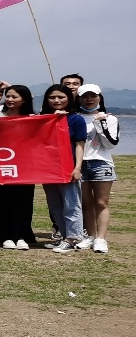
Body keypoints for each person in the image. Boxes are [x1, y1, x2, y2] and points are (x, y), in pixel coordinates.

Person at [39, 84, 87, 254]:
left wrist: (77, 167)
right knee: (55, 205)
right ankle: (64, 236)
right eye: (52, 97)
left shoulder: (76, 119)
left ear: (69, 98)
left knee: (71, 204)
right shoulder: (43, 118)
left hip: (68, 167)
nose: (57, 100)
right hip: (48, 169)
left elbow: (80, 145)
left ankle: (74, 237)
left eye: (61, 97)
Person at [0, 84, 37, 250]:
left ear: (24, 99)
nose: (9, 99)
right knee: (1, 200)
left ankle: (21, 235)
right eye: (7, 96)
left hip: (24, 166)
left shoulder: (33, 118)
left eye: (14, 97)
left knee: (23, 200)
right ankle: (3, 235)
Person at [77, 83, 117, 254]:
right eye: (85, 96)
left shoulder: (110, 118)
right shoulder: (75, 118)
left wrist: (100, 124)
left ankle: (101, 239)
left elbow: (110, 144)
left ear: (100, 97)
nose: (89, 100)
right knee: (85, 203)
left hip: (101, 163)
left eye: (93, 96)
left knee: (101, 202)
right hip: (80, 164)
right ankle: (90, 236)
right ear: (79, 99)